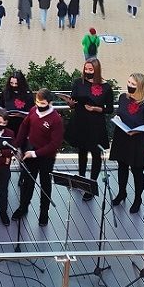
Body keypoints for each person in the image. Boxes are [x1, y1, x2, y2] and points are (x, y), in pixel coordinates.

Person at [62, 59, 114, 201]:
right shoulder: (79, 82)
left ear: (97, 70)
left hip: (95, 125)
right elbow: (74, 102)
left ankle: (91, 184)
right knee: (82, 151)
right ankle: (81, 179)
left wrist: (96, 108)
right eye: (86, 69)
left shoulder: (106, 87)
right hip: (80, 122)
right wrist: (71, 103)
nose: (87, 72)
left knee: (96, 155)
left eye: (91, 70)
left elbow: (109, 109)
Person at [13, 89, 65, 227]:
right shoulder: (33, 111)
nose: (39, 105)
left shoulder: (56, 120)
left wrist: (35, 153)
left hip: (46, 157)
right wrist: (16, 146)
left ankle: (44, 213)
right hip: (30, 152)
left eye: (42, 103)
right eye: (37, 102)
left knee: (45, 185)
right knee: (27, 183)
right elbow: (24, 127)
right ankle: (23, 207)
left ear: (50, 102)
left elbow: (55, 144)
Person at [109, 73, 144, 214]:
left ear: (140, 86)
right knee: (122, 166)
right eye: (129, 82)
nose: (129, 86)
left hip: (137, 141)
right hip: (122, 137)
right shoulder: (123, 97)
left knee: (137, 171)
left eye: (133, 84)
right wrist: (117, 118)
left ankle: (138, 199)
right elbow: (120, 113)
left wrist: (135, 131)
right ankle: (122, 192)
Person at [0, 70, 33, 134]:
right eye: (11, 83)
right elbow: (0, 106)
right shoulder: (5, 92)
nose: (14, 85)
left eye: (16, 84)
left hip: (22, 123)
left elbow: (31, 110)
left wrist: (21, 115)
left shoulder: (27, 94)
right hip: (7, 123)